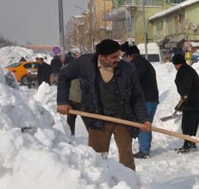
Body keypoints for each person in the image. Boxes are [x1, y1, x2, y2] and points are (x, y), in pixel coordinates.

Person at [56, 39, 152, 171]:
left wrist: (143, 118)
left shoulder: (128, 69)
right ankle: (100, 187)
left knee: (126, 158)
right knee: (97, 159)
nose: (118, 59)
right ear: (102, 57)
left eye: (118, 55)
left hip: (124, 117)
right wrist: (63, 101)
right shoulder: (84, 64)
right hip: (97, 118)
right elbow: (64, 76)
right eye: (113, 57)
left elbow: (137, 97)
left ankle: (129, 187)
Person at [126, 45, 159, 159]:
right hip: (151, 98)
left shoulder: (137, 64)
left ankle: (144, 151)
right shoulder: (145, 62)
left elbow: (132, 80)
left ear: (129, 56)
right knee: (146, 124)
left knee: (143, 124)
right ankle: (145, 148)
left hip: (146, 99)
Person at [171, 53, 199, 153]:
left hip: (191, 103)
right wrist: (180, 103)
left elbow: (186, 89)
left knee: (187, 125)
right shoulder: (188, 69)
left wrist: (181, 103)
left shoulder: (183, 71)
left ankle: (188, 145)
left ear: (177, 64)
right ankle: (191, 144)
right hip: (196, 102)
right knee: (192, 125)